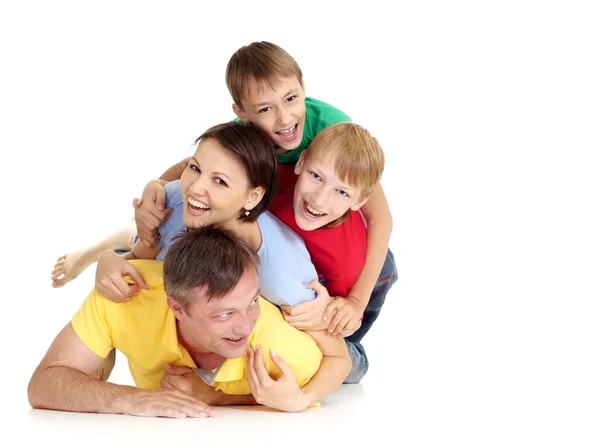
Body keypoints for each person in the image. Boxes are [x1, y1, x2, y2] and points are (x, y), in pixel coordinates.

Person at [50, 42, 395, 322]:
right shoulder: (246, 135)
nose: (285, 118)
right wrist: (153, 185)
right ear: (242, 113)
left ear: (303, 88)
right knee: (178, 207)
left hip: (346, 258)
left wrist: (355, 301)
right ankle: (106, 246)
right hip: (284, 226)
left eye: (291, 99)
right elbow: (194, 165)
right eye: (265, 109)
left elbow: (380, 216)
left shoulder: (331, 131)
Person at [94, 120, 363, 384]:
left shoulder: (278, 278)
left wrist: (299, 400)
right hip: (205, 319)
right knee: (116, 289)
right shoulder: (177, 199)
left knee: (351, 366)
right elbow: (140, 261)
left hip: (325, 309)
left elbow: (339, 359)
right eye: (195, 168)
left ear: (252, 197)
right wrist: (108, 261)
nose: (196, 188)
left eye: (220, 182)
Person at [28, 225, 351, 417]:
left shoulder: (289, 350)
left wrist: (217, 398)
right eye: (223, 314)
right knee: (147, 238)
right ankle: (108, 247)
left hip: (330, 320)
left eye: (251, 302)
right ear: (177, 308)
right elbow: (44, 384)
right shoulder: (125, 297)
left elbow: (338, 360)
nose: (244, 325)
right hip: (156, 255)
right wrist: (130, 398)